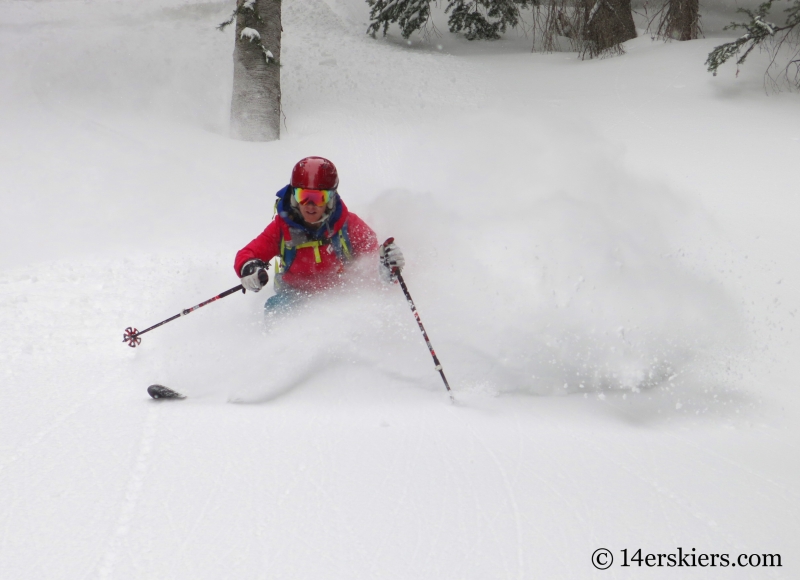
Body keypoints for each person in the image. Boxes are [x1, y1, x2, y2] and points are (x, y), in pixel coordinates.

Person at [234, 157, 405, 314]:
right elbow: (248, 253)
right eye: (303, 196)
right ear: (294, 196)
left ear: (331, 198)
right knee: (275, 310)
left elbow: (372, 262)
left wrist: (388, 267)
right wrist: (249, 268)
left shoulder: (349, 225)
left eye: (318, 198)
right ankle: (275, 347)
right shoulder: (282, 228)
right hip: (293, 296)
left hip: (341, 296)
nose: (310, 205)